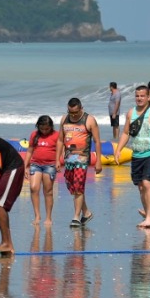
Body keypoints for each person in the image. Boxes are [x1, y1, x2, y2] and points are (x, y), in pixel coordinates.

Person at [116, 84, 150, 229]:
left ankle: (149, 218)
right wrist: (118, 150)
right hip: (136, 154)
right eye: (137, 96)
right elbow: (126, 133)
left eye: (142, 96)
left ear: (148, 97)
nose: (139, 98)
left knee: (148, 183)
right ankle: (148, 214)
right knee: (141, 187)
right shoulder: (131, 113)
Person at [57, 97, 103, 227]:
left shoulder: (89, 120)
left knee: (78, 187)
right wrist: (57, 159)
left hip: (82, 160)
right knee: (72, 188)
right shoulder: (64, 119)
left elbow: (97, 141)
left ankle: (76, 217)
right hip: (68, 159)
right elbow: (60, 140)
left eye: (76, 112)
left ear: (81, 109)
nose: (73, 115)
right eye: (70, 112)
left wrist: (98, 161)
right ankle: (86, 212)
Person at [25, 115, 59, 225]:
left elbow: (61, 150)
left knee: (48, 191)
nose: (44, 131)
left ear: (51, 127)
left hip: (50, 165)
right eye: (42, 129)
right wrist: (25, 166)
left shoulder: (56, 135)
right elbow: (30, 150)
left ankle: (48, 217)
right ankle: (37, 216)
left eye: (47, 129)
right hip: (35, 164)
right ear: (38, 126)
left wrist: (58, 162)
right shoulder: (34, 135)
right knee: (34, 188)